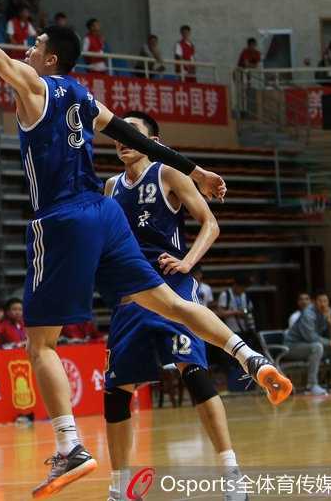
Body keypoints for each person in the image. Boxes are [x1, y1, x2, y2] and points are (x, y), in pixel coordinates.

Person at [0, 0, 290, 497]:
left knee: (41, 344)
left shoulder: (36, 86)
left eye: (33, 48)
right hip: (106, 213)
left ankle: (70, 444)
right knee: (169, 304)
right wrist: (196, 168)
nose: (24, 53)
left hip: (63, 218)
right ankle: (248, 355)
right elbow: (139, 138)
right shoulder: (83, 96)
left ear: (48, 57)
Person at [103, 111, 247, 501]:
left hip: (173, 284)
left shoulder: (168, 173)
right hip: (132, 295)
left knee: (195, 373)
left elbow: (210, 223)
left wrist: (187, 262)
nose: (122, 139)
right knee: (116, 389)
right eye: (117, 133)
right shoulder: (111, 186)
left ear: (153, 140)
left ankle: (231, 472)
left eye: (132, 133)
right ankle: (119, 488)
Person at [284, 292, 331, 395]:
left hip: (307, 346)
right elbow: (310, 337)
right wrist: (329, 342)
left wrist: (330, 323)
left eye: (325, 301)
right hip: (291, 347)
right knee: (317, 347)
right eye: (320, 301)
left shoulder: (325, 313)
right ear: (314, 302)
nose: (323, 304)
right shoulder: (308, 314)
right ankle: (312, 385)